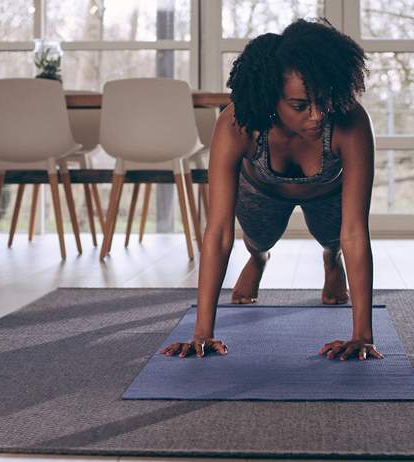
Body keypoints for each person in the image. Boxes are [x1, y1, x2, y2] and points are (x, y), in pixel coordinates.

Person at [160, 18, 383, 362]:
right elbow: (219, 231)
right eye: (300, 105)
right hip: (263, 193)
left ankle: (330, 258)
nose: (318, 115)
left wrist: (362, 336)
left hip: (327, 193)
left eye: (324, 100)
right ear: (270, 97)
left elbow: (355, 230)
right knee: (259, 237)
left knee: (336, 236)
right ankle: (259, 258)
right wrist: (202, 332)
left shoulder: (350, 120)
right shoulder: (238, 124)